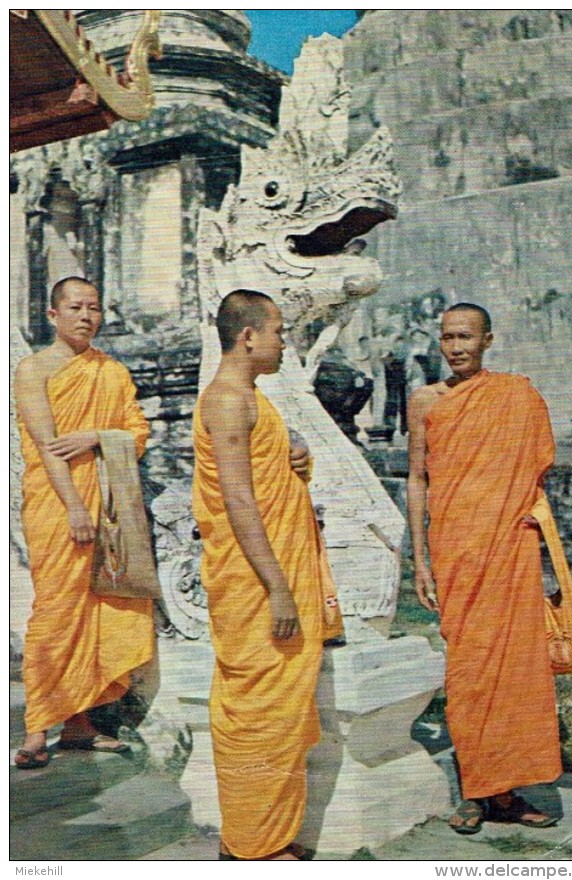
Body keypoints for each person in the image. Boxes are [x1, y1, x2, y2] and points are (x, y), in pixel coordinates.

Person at [192, 289, 342, 860]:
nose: (284, 342)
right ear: (248, 336)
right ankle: (249, 845)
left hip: (272, 565)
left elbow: (264, 469)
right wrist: (277, 586)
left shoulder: (253, 399)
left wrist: (294, 457)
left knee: (279, 705)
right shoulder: (229, 399)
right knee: (256, 703)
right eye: (278, 331)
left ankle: (267, 835)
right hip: (256, 579)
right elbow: (237, 499)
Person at [407, 302, 562, 834]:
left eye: (466, 337)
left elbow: (535, 468)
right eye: (447, 337)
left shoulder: (516, 396)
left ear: (487, 340)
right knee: (469, 672)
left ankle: (508, 790)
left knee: (515, 671)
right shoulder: (425, 401)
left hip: (508, 549)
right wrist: (419, 560)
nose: (455, 347)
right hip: (454, 552)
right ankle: (476, 789)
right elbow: (417, 480)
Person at [13, 276, 154, 769]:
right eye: (75, 307)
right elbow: (49, 445)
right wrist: (74, 505)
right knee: (56, 609)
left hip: (110, 503)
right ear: (53, 315)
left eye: (93, 308)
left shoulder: (111, 372)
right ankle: (36, 728)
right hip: (57, 502)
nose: (85, 316)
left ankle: (79, 724)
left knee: (102, 607)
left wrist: (98, 435)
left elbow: (137, 432)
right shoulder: (32, 370)